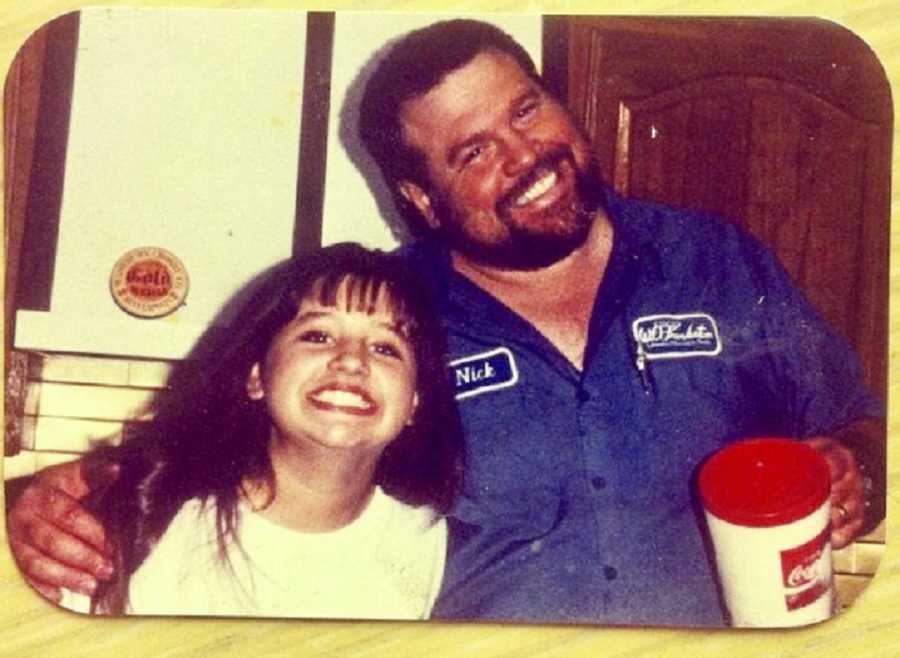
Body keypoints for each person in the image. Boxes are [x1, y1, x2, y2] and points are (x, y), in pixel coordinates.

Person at [8, 19, 884, 626]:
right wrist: (42, 504)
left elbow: (861, 425)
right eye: (474, 152)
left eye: (526, 109)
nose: (528, 156)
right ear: (423, 200)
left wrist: (858, 467)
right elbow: (223, 439)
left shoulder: (717, 261)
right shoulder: (388, 317)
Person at [43, 243, 464, 618]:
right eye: (318, 335)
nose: (352, 360)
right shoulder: (142, 519)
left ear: (414, 403)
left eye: (385, 347)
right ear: (257, 377)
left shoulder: (425, 542)